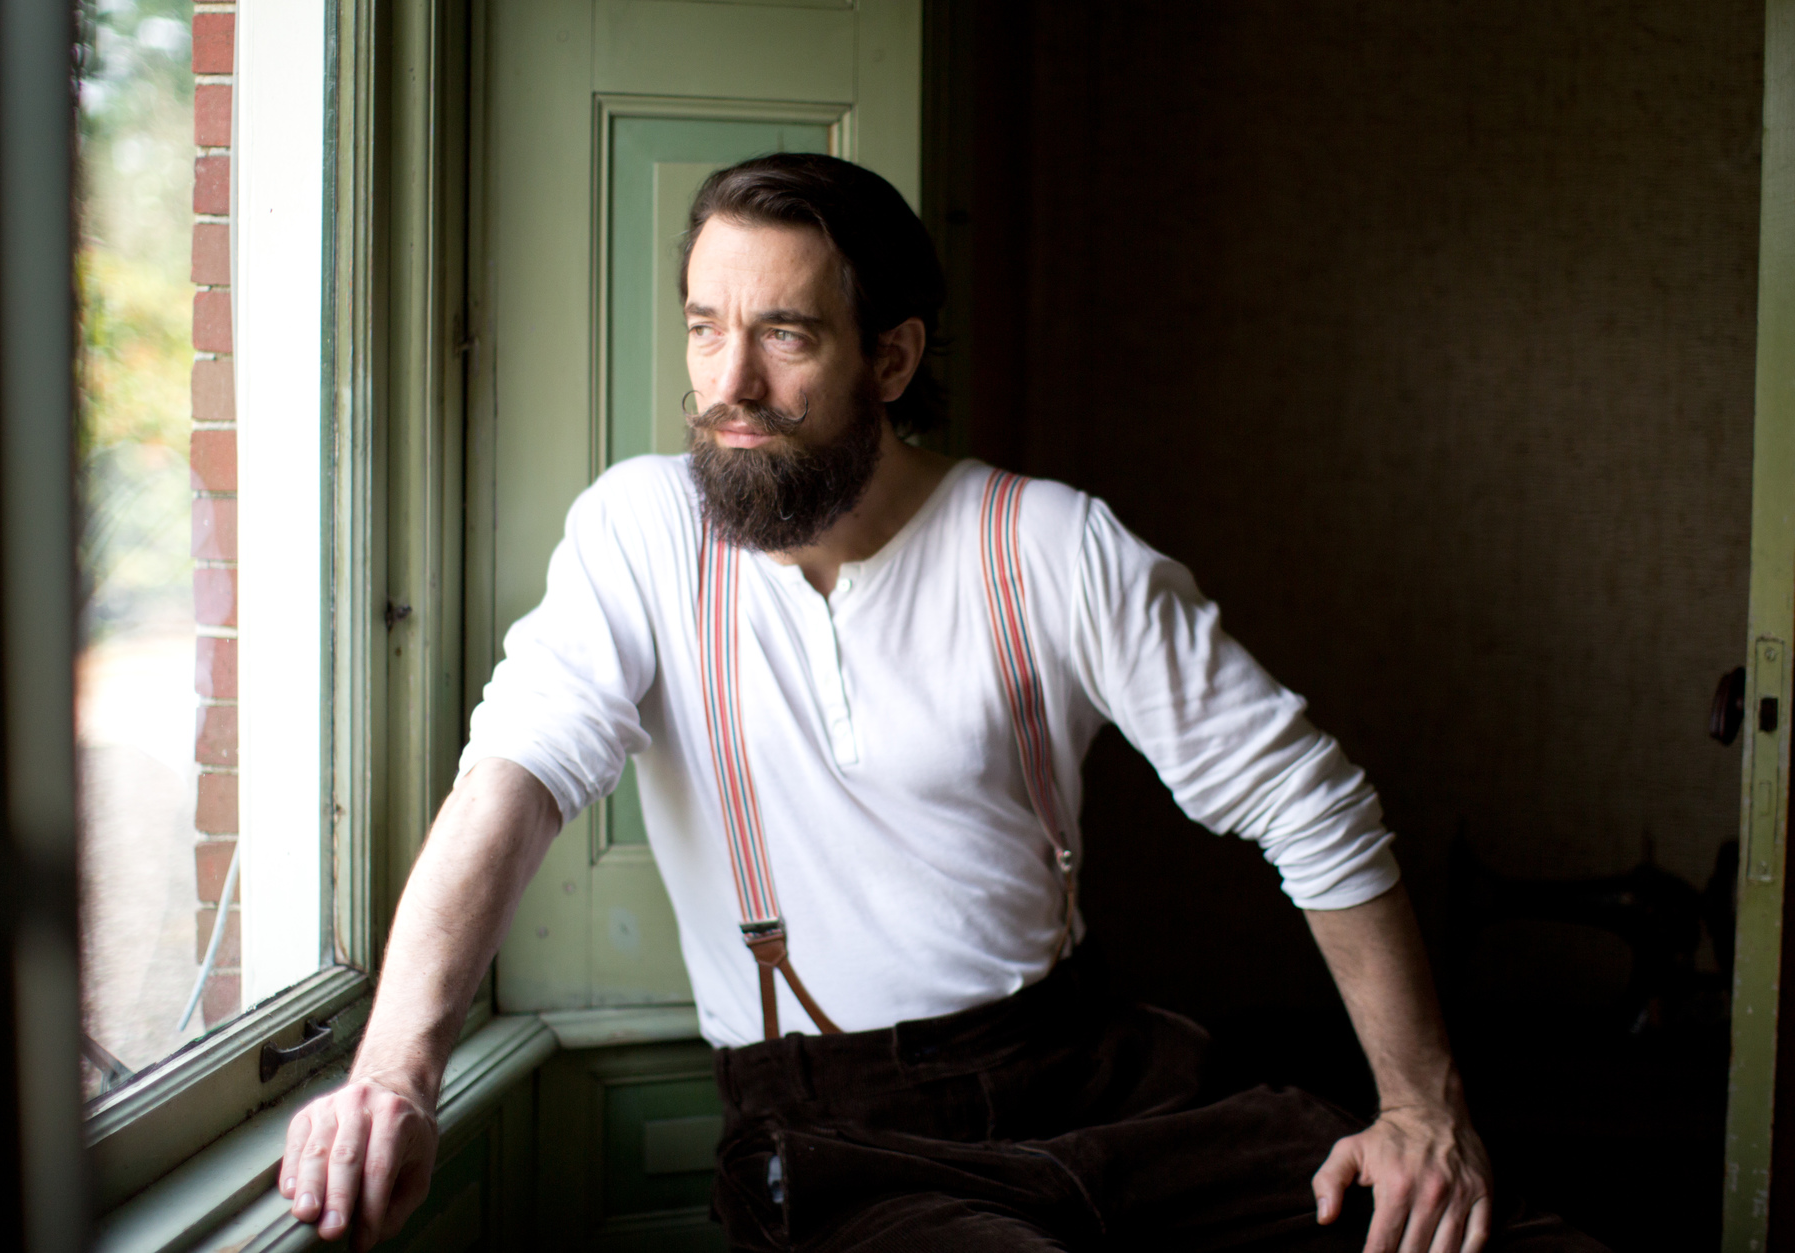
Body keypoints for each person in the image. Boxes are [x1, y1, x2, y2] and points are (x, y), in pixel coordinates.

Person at [277, 154, 1601, 1253]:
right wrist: (394, 1074)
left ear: (893, 357)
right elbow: (511, 785)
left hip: (1100, 1077)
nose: (728, 385)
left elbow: (1312, 803)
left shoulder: (1052, 547)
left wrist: (1422, 1108)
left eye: (785, 335)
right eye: (704, 326)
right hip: (841, 1136)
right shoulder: (640, 533)